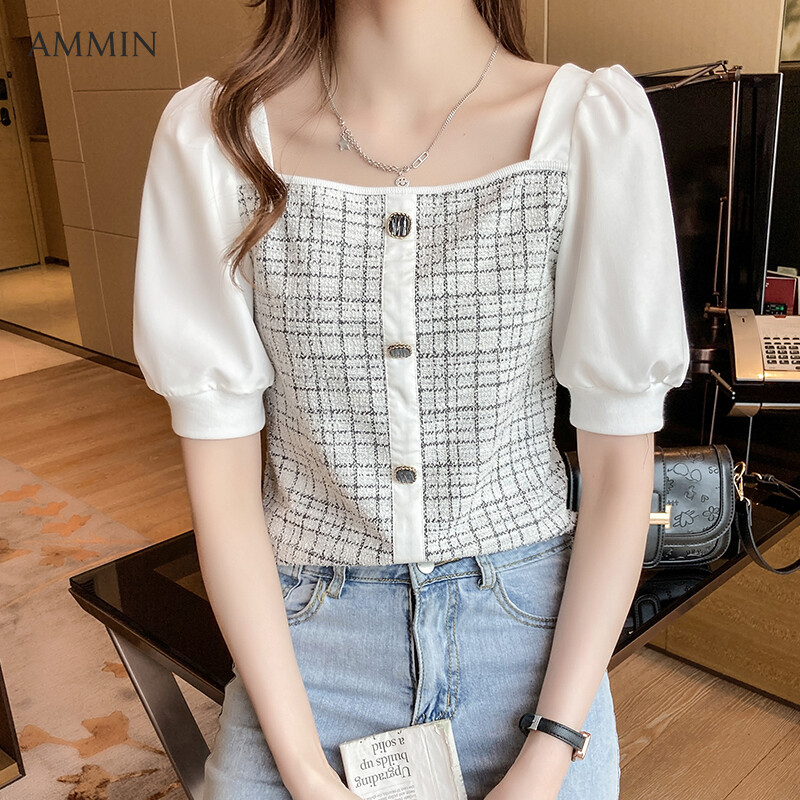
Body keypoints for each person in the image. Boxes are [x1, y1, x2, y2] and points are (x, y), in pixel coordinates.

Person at [132, 1, 691, 798]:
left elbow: (617, 479)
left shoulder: (588, 129)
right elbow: (222, 495)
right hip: (305, 650)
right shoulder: (216, 141)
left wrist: (550, 750)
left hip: (534, 658)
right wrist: (301, 767)